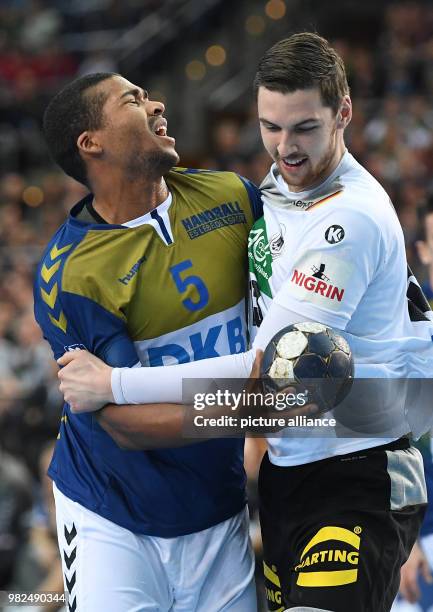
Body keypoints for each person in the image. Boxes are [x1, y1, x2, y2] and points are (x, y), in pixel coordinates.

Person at [58, 34, 433, 611]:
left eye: (305, 128)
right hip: (288, 473)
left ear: (345, 114)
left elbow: (261, 370)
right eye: (270, 127)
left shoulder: (348, 219)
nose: (285, 149)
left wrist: (112, 384)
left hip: (359, 473)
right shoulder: (274, 188)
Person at [33, 72, 264, 611]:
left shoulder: (233, 198)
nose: (157, 104)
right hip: (112, 516)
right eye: (133, 100)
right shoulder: (70, 274)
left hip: (219, 505)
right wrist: (264, 411)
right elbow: (124, 424)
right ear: (91, 143)